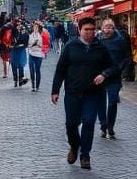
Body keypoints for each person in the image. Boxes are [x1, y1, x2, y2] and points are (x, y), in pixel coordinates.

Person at [51, 17, 119, 170]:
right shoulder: (71, 46)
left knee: (89, 123)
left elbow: (113, 66)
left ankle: (85, 155)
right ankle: (75, 147)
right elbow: (61, 69)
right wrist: (55, 90)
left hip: (93, 93)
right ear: (79, 30)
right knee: (71, 124)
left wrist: (104, 74)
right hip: (73, 92)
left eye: (92, 30)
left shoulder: (101, 48)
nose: (89, 33)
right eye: (86, 30)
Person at [97, 18, 133, 139]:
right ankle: (103, 124)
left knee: (112, 101)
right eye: (105, 26)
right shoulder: (97, 40)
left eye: (110, 26)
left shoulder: (120, 40)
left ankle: (110, 127)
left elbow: (126, 57)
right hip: (100, 75)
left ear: (113, 28)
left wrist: (121, 69)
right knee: (100, 102)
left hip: (114, 75)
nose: (107, 29)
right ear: (102, 28)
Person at [27, 22, 50, 91]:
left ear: (39, 28)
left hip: (39, 54)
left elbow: (46, 44)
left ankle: (37, 86)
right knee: (31, 70)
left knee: (37, 70)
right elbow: (28, 44)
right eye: (34, 27)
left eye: (37, 27)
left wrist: (40, 46)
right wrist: (31, 45)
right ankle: (33, 86)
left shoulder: (42, 35)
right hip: (31, 54)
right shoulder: (30, 35)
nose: (35, 28)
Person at [9, 19, 29, 88]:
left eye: (20, 24)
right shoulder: (12, 32)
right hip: (14, 51)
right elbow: (9, 41)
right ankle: (15, 80)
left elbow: (26, 42)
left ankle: (20, 80)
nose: (19, 26)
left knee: (21, 65)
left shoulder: (24, 32)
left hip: (21, 50)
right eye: (17, 25)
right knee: (14, 65)